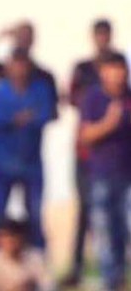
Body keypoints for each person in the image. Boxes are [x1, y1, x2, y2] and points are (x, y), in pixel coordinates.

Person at [0, 48, 55, 252]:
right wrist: (21, 118)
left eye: (23, 65)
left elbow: (46, 114)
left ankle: (37, 257)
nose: (20, 70)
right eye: (16, 65)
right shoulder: (0, 90)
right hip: (2, 162)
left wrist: (19, 119)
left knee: (34, 213)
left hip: (31, 162)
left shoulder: (40, 89)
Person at [63, 18, 115, 287]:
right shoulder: (82, 70)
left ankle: (111, 267)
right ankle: (78, 266)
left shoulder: (119, 71)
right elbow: (70, 98)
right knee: (85, 211)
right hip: (86, 154)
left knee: (111, 214)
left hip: (111, 158)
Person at [78, 52, 131, 291]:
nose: (118, 75)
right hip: (102, 175)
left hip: (128, 175)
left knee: (125, 226)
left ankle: (121, 274)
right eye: (113, 69)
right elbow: (85, 136)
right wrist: (109, 123)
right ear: (103, 72)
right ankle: (111, 279)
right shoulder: (94, 98)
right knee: (104, 229)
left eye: (122, 69)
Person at [0, 219, 52, 291]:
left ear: (21, 238)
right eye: (4, 237)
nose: (8, 242)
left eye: (12, 237)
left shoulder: (35, 258)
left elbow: (48, 285)